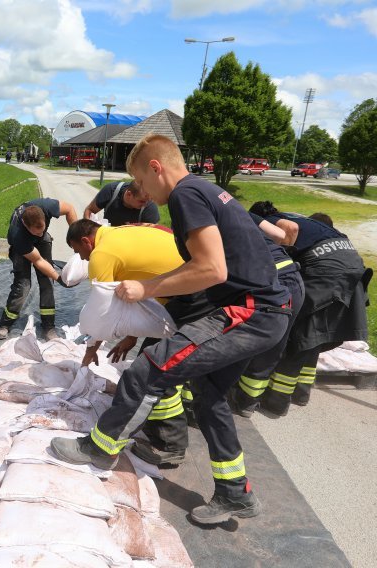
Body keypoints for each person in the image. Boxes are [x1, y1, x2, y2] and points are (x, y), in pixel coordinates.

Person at [50, 134, 292, 525]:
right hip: (264, 311)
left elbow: (212, 269)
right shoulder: (206, 190)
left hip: (248, 311)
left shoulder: (185, 195)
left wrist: (146, 288)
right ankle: (235, 494)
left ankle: (100, 448)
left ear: (155, 167)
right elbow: (207, 265)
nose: (142, 195)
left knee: (150, 368)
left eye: (141, 183)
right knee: (209, 397)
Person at [66, 219, 191, 465]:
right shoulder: (120, 232)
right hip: (186, 287)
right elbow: (146, 277)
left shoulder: (101, 254)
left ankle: (170, 444)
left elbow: (102, 313)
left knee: (152, 372)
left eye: (79, 252)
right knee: (162, 366)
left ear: (86, 241)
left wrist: (91, 350)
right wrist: (132, 336)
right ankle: (166, 429)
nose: (83, 258)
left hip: (188, 295)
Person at [246, 202, 370, 414]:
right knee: (314, 334)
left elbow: (285, 242)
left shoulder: (273, 222)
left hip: (325, 270)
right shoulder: (304, 218)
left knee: (290, 330)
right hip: (353, 267)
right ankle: (301, 393)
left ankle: (275, 401)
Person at [229, 213, 306, 417]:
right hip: (292, 278)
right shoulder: (240, 212)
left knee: (237, 335)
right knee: (274, 343)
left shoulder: (203, 220)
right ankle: (247, 401)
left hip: (263, 281)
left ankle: (222, 393)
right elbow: (280, 234)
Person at [0, 198, 77, 341]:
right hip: (22, 247)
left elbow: (70, 208)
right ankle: (5, 323)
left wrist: (76, 235)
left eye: (42, 229)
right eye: (36, 233)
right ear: (26, 225)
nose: (40, 235)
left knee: (46, 281)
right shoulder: (17, 235)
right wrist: (59, 278)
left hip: (35, 237)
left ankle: (49, 326)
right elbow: (38, 260)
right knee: (23, 285)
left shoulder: (47, 207)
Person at [83, 180, 160, 226]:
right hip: (109, 239)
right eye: (142, 201)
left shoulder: (150, 206)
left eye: (148, 200)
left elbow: (154, 233)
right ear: (129, 194)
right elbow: (89, 210)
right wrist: (90, 230)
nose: (145, 204)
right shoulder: (111, 191)